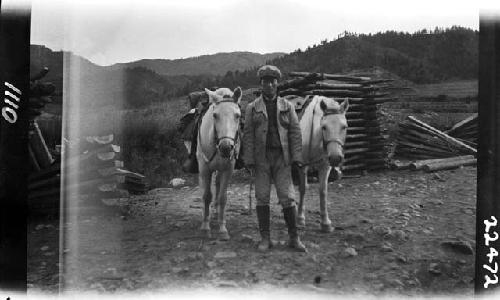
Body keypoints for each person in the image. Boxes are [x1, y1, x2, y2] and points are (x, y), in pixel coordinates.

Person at [243, 65, 306, 252]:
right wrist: (248, 160)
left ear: (277, 84)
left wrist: (296, 158)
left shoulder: (288, 106)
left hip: (282, 158)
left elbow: (295, 133)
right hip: (261, 159)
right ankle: (265, 239)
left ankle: (294, 238)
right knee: (262, 197)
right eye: (265, 82)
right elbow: (248, 135)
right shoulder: (252, 108)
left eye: (272, 82)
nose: (269, 85)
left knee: (287, 197)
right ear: (261, 84)